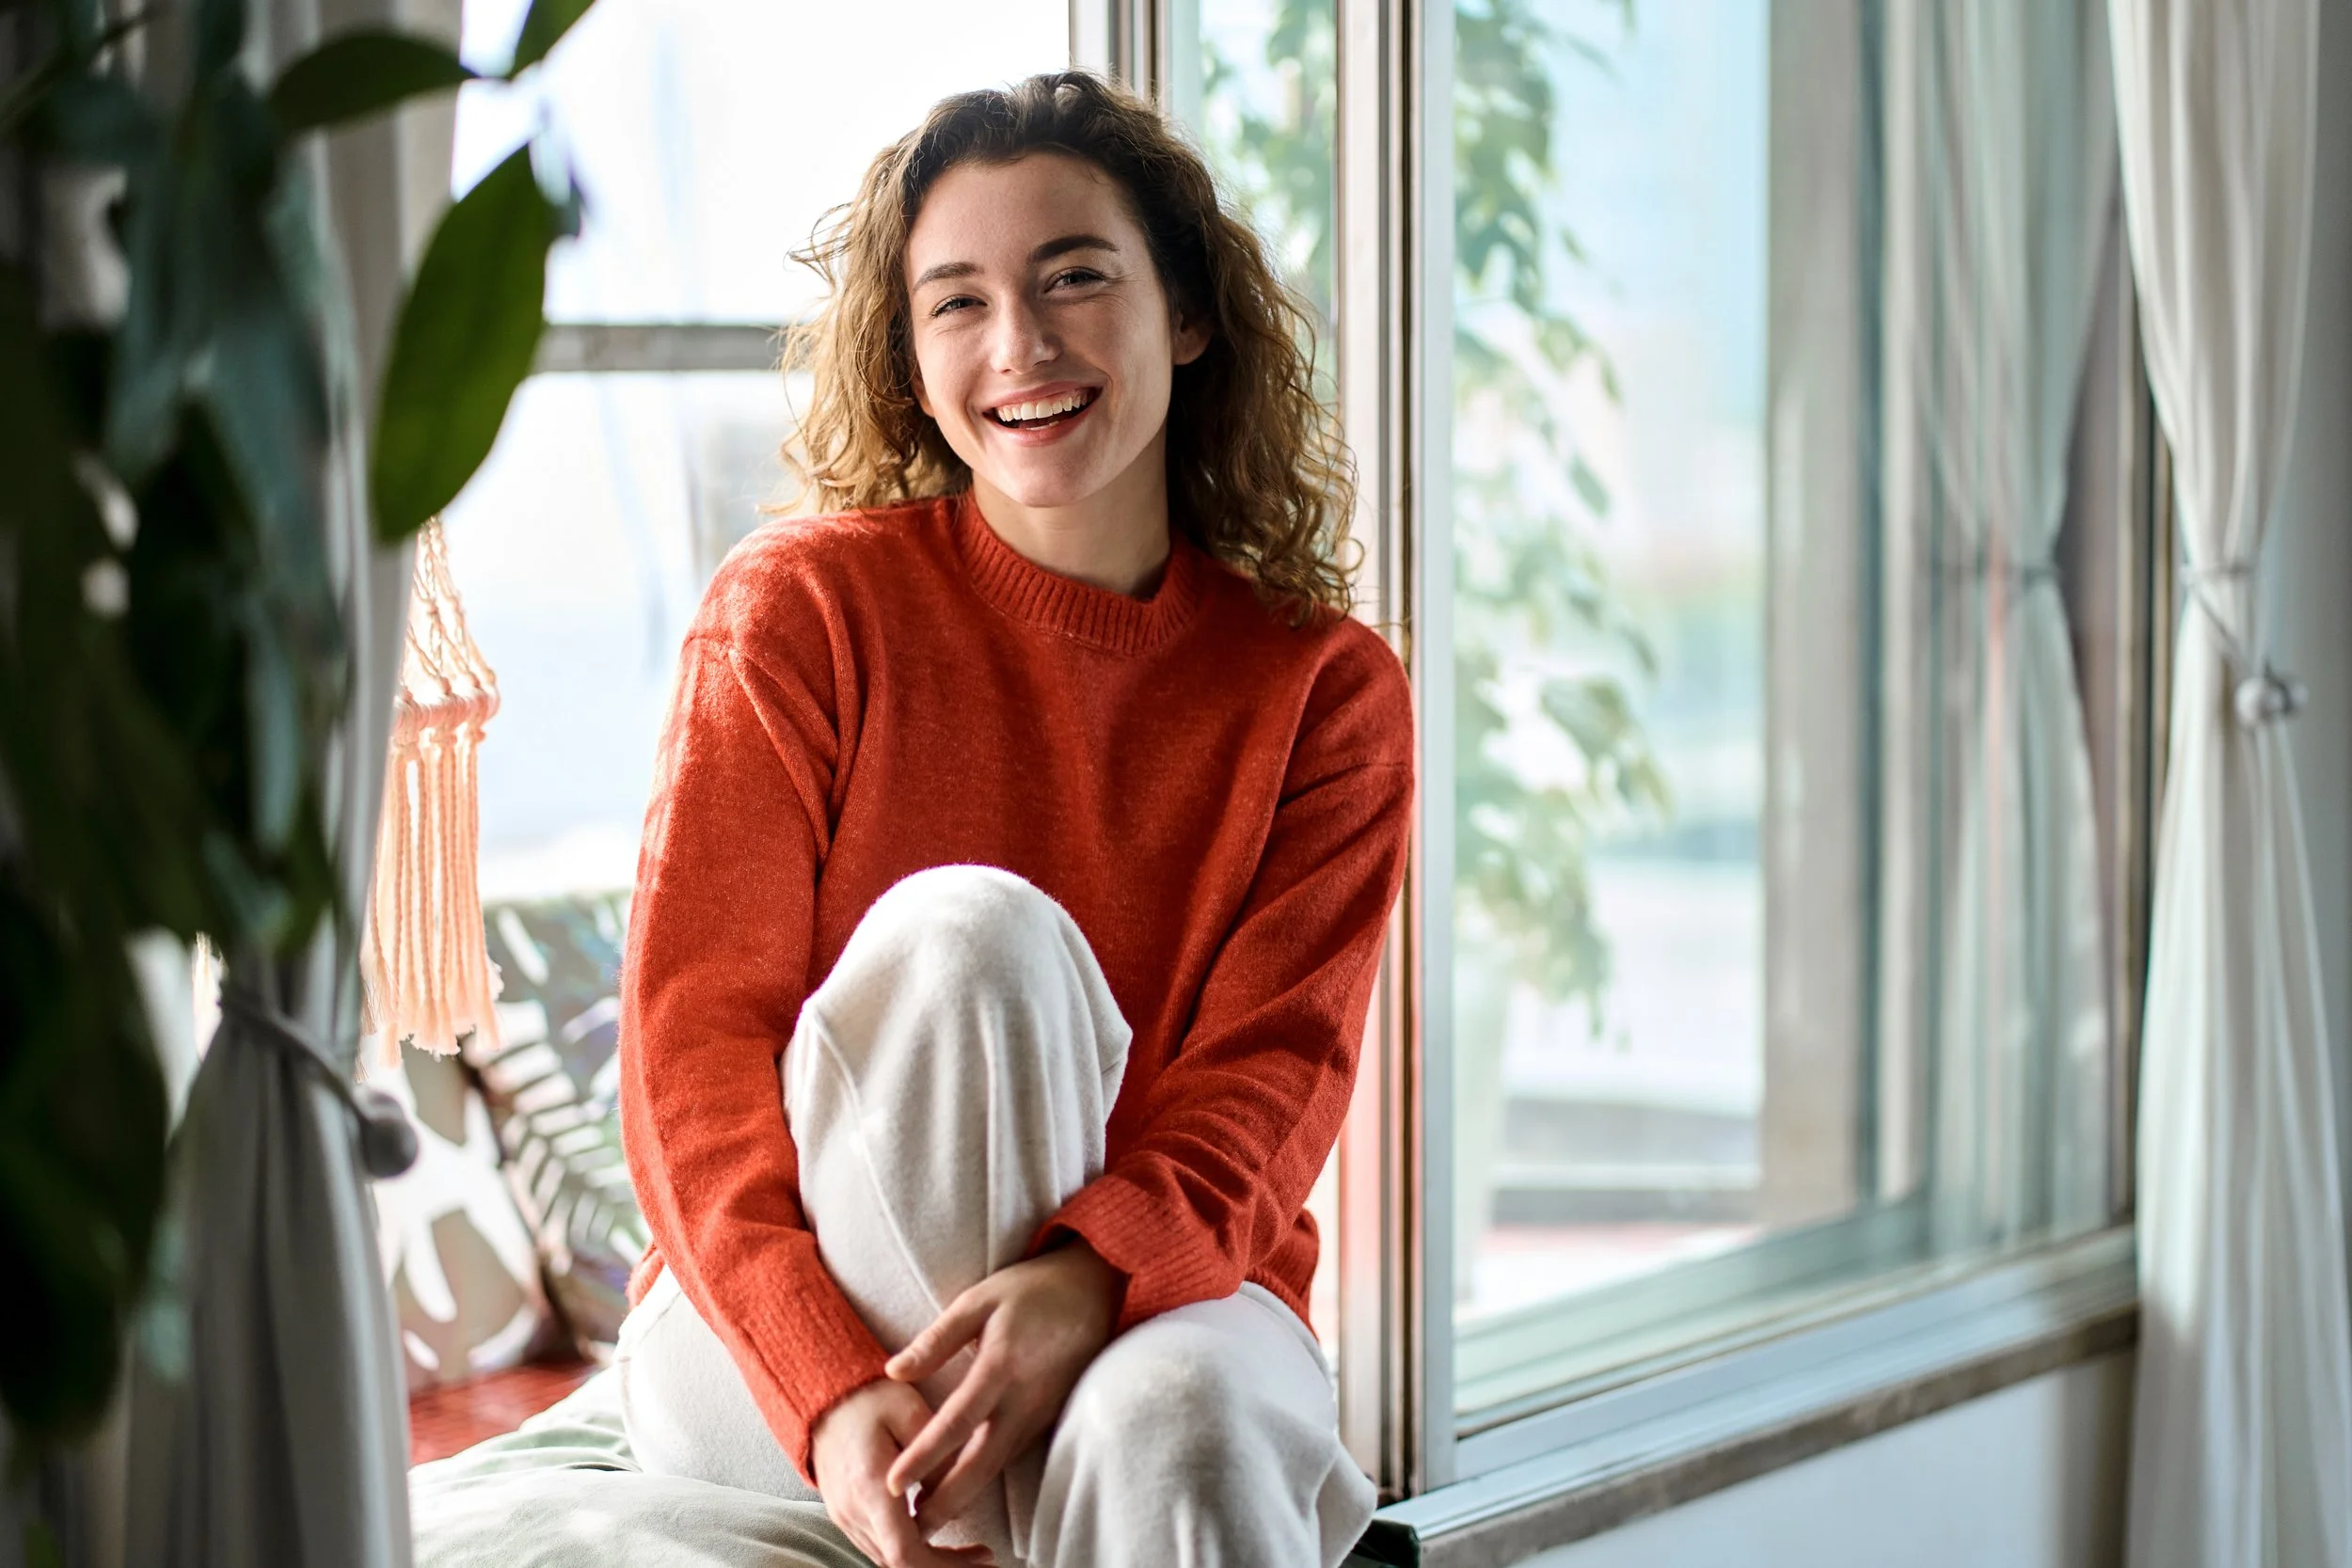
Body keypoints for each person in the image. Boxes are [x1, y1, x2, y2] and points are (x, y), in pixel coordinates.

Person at [612, 70, 1414, 1568]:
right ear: (913, 364)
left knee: (1175, 1425)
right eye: (958, 303)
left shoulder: (1327, 694)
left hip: (1160, 1297)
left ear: (1187, 313)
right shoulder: (798, 615)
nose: (1021, 345)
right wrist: (829, 1391)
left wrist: (1084, 1285)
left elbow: (1270, 1087)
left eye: (1074, 278)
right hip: (766, 1321)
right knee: (974, 936)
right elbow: (685, 1056)